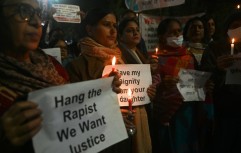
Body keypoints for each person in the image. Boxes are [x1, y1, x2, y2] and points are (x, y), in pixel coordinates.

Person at [0, 1, 121, 153]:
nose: (37, 22)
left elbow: (75, 109)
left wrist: (101, 90)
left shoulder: (52, 65)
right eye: (23, 11)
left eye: (38, 14)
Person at [66, 7, 133, 153]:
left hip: (127, 136)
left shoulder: (123, 58)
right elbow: (76, 112)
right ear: (89, 30)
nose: (113, 31)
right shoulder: (76, 66)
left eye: (115, 26)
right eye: (106, 25)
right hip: (100, 141)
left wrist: (147, 94)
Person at [153, 18, 202, 153]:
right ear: (162, 36)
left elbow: (196, 81)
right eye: (172, 33)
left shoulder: (189, 56)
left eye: (179, 31)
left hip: (188, 111)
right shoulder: (156, 59)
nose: (177, 36)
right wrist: (162, 84)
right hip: (168, 113)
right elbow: (151, 86)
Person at [201, 11, 241, 153]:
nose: (240, 29)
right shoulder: (215, 48)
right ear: (227, 29)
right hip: (223, 114)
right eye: (235, 26)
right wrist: (218, 69)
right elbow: (204, 79)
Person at [118, 18, 158, 153]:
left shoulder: (138, 52)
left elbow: (142, 80)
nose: (135, 33)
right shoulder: (120, 54)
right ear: (121, 36)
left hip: (143, 105)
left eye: (137, 30)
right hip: (130, 110)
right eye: (129, 31)